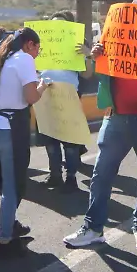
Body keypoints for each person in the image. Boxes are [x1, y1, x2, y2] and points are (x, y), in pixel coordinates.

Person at [63, 0, 137, 253]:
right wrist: (96, 56)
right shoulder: (115, 43)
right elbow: (97, 75)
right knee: (101, 175)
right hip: (115, 118)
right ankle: (93, 228)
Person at [0, 27, 50, 258]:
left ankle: (11, 224)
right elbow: (31, 97)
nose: (37, 54)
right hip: (10, 129)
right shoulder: (23, 59)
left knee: (5, 183)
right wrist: (42, 85)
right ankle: (5, 241)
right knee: (13, 187)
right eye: (37, 49)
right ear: (29, 44)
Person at [39, 11, 94, 191]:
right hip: (46, 95)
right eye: (54, 24)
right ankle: (55, 174)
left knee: (70, 142)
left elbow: (87, 74)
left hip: (69, 96)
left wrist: (87, 55)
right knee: (50, 139)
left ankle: (71, 177)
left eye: (61, 25)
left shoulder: (79, 44)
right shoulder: (42, 43)